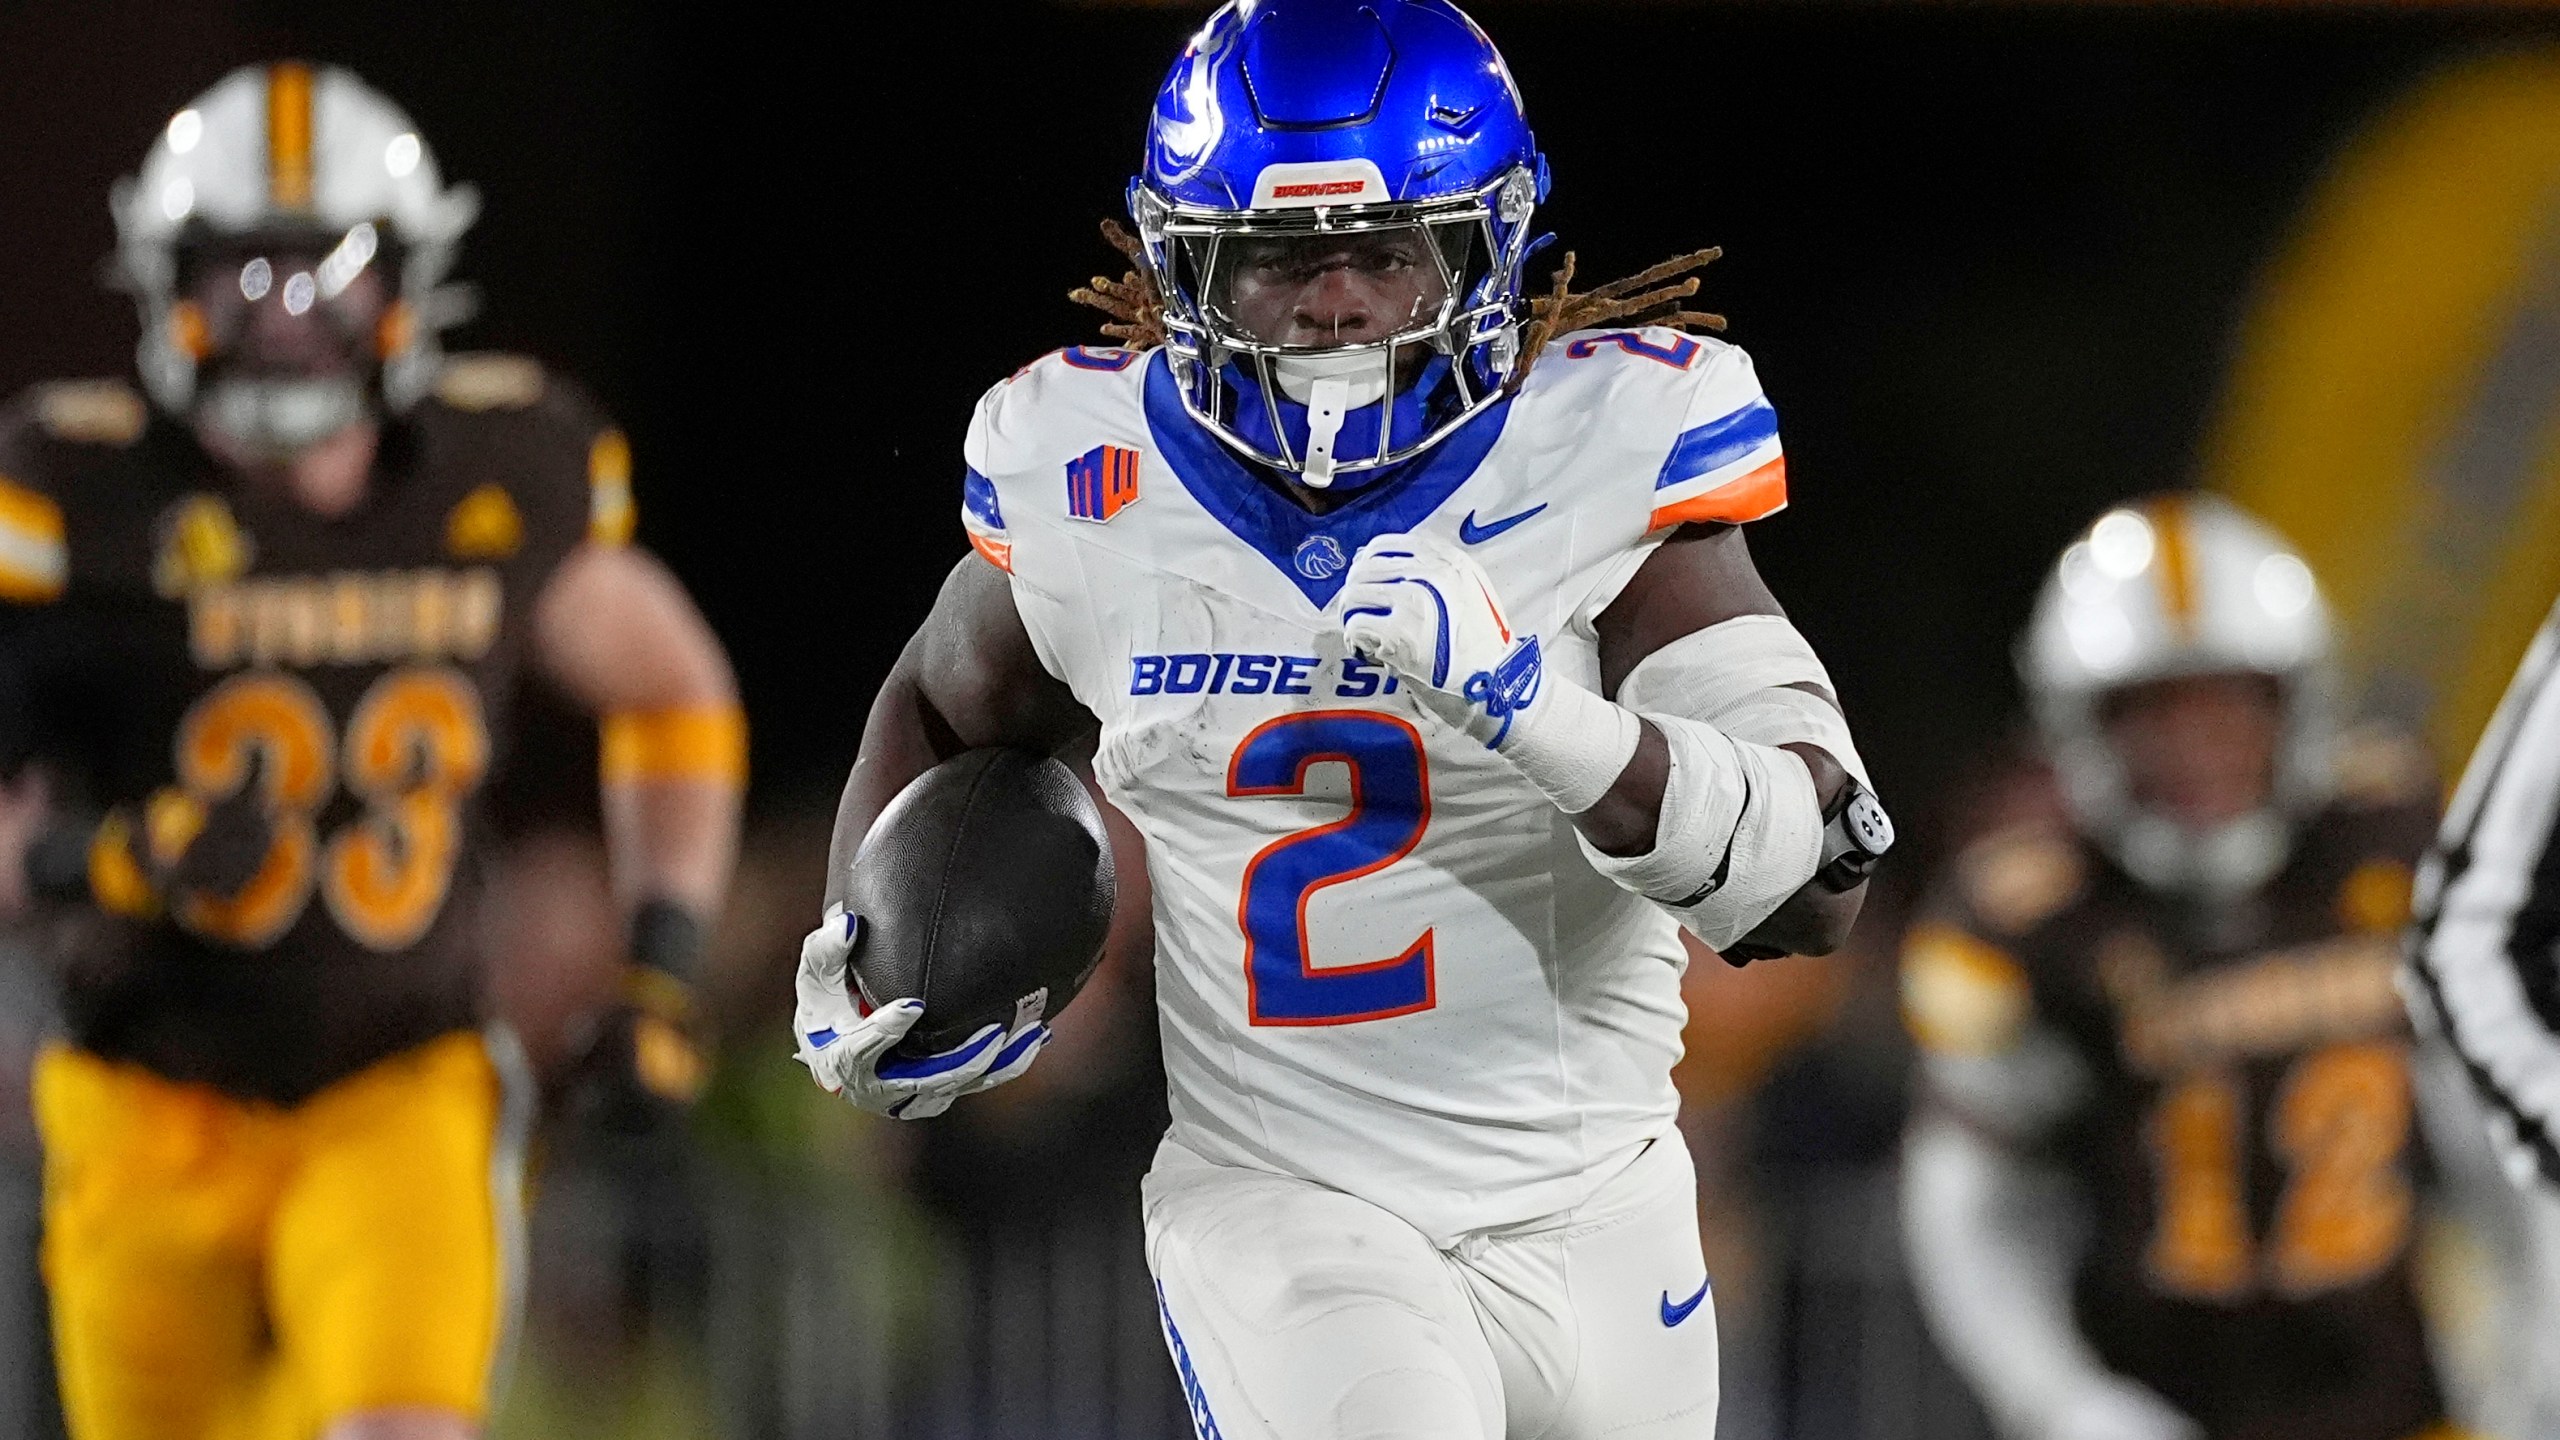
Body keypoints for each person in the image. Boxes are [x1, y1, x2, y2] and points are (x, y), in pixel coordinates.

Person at [789, 2, 1891, 1434]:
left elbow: (1812, 882)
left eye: (1387, 251)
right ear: (1182, 268)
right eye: (1279, 262)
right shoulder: (1092, 479)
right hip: (1286, 1197)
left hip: (1597, 1205)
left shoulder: (1617, 453)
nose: (1337, 302)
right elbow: (944, 702)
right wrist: (864, 954)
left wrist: (1529, 713)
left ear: (1487, 244)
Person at [0, 63, 744, 1440]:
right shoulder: (73, 487)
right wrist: (103, 857)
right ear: (168, 282)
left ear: (409, 279)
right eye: (244, 277)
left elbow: (673, 691)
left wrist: (665, 969)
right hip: (142, 1101)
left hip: (398, 1085)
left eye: (325, 274)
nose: (287, 322)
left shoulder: (499, 464)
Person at [1897, 495, 2523, 1440]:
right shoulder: (2027, 922)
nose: (2195, 748)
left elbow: (2493, 1124)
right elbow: (1975, 1202)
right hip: (2156, 1403)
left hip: (2401, 1399)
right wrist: (2061, 1400)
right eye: (2154, 713)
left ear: (2296, 706)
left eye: (2227, 706)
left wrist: (2527, 1328)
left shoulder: (2390, 844)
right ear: (2082, 728)